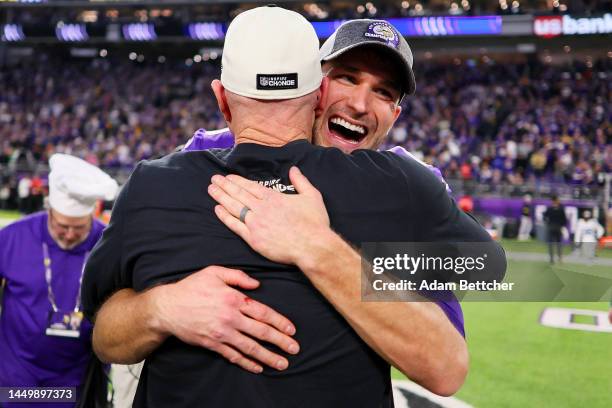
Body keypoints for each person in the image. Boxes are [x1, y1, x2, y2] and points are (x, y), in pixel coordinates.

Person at [82, 7, 505, 407]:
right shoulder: (200, 156)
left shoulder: (401, 188)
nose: (359, 103)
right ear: (314, 86)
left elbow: (473, 296)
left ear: (394, 115)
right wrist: (163, 307)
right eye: (347, 77)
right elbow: (108, 321)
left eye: (382, 92)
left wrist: (321, 248)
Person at [0, 154, 118, 406]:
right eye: (62, 226)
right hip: (16, 375)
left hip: (77, 378)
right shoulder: (12, 237)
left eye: (79, 228)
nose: (69, 234)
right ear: (49, 209)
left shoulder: (109, 244)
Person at [543, 194, 568, 264]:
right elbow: (564, 219)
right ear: (557, 200)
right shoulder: (561, 209)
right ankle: (560, 258)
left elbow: (544, 217)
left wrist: (548, 223)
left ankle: (551, 259)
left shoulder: (549, 209)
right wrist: (562, 225)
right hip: (558, 227)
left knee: (551, 243)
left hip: (551, 227)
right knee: (559, 243)